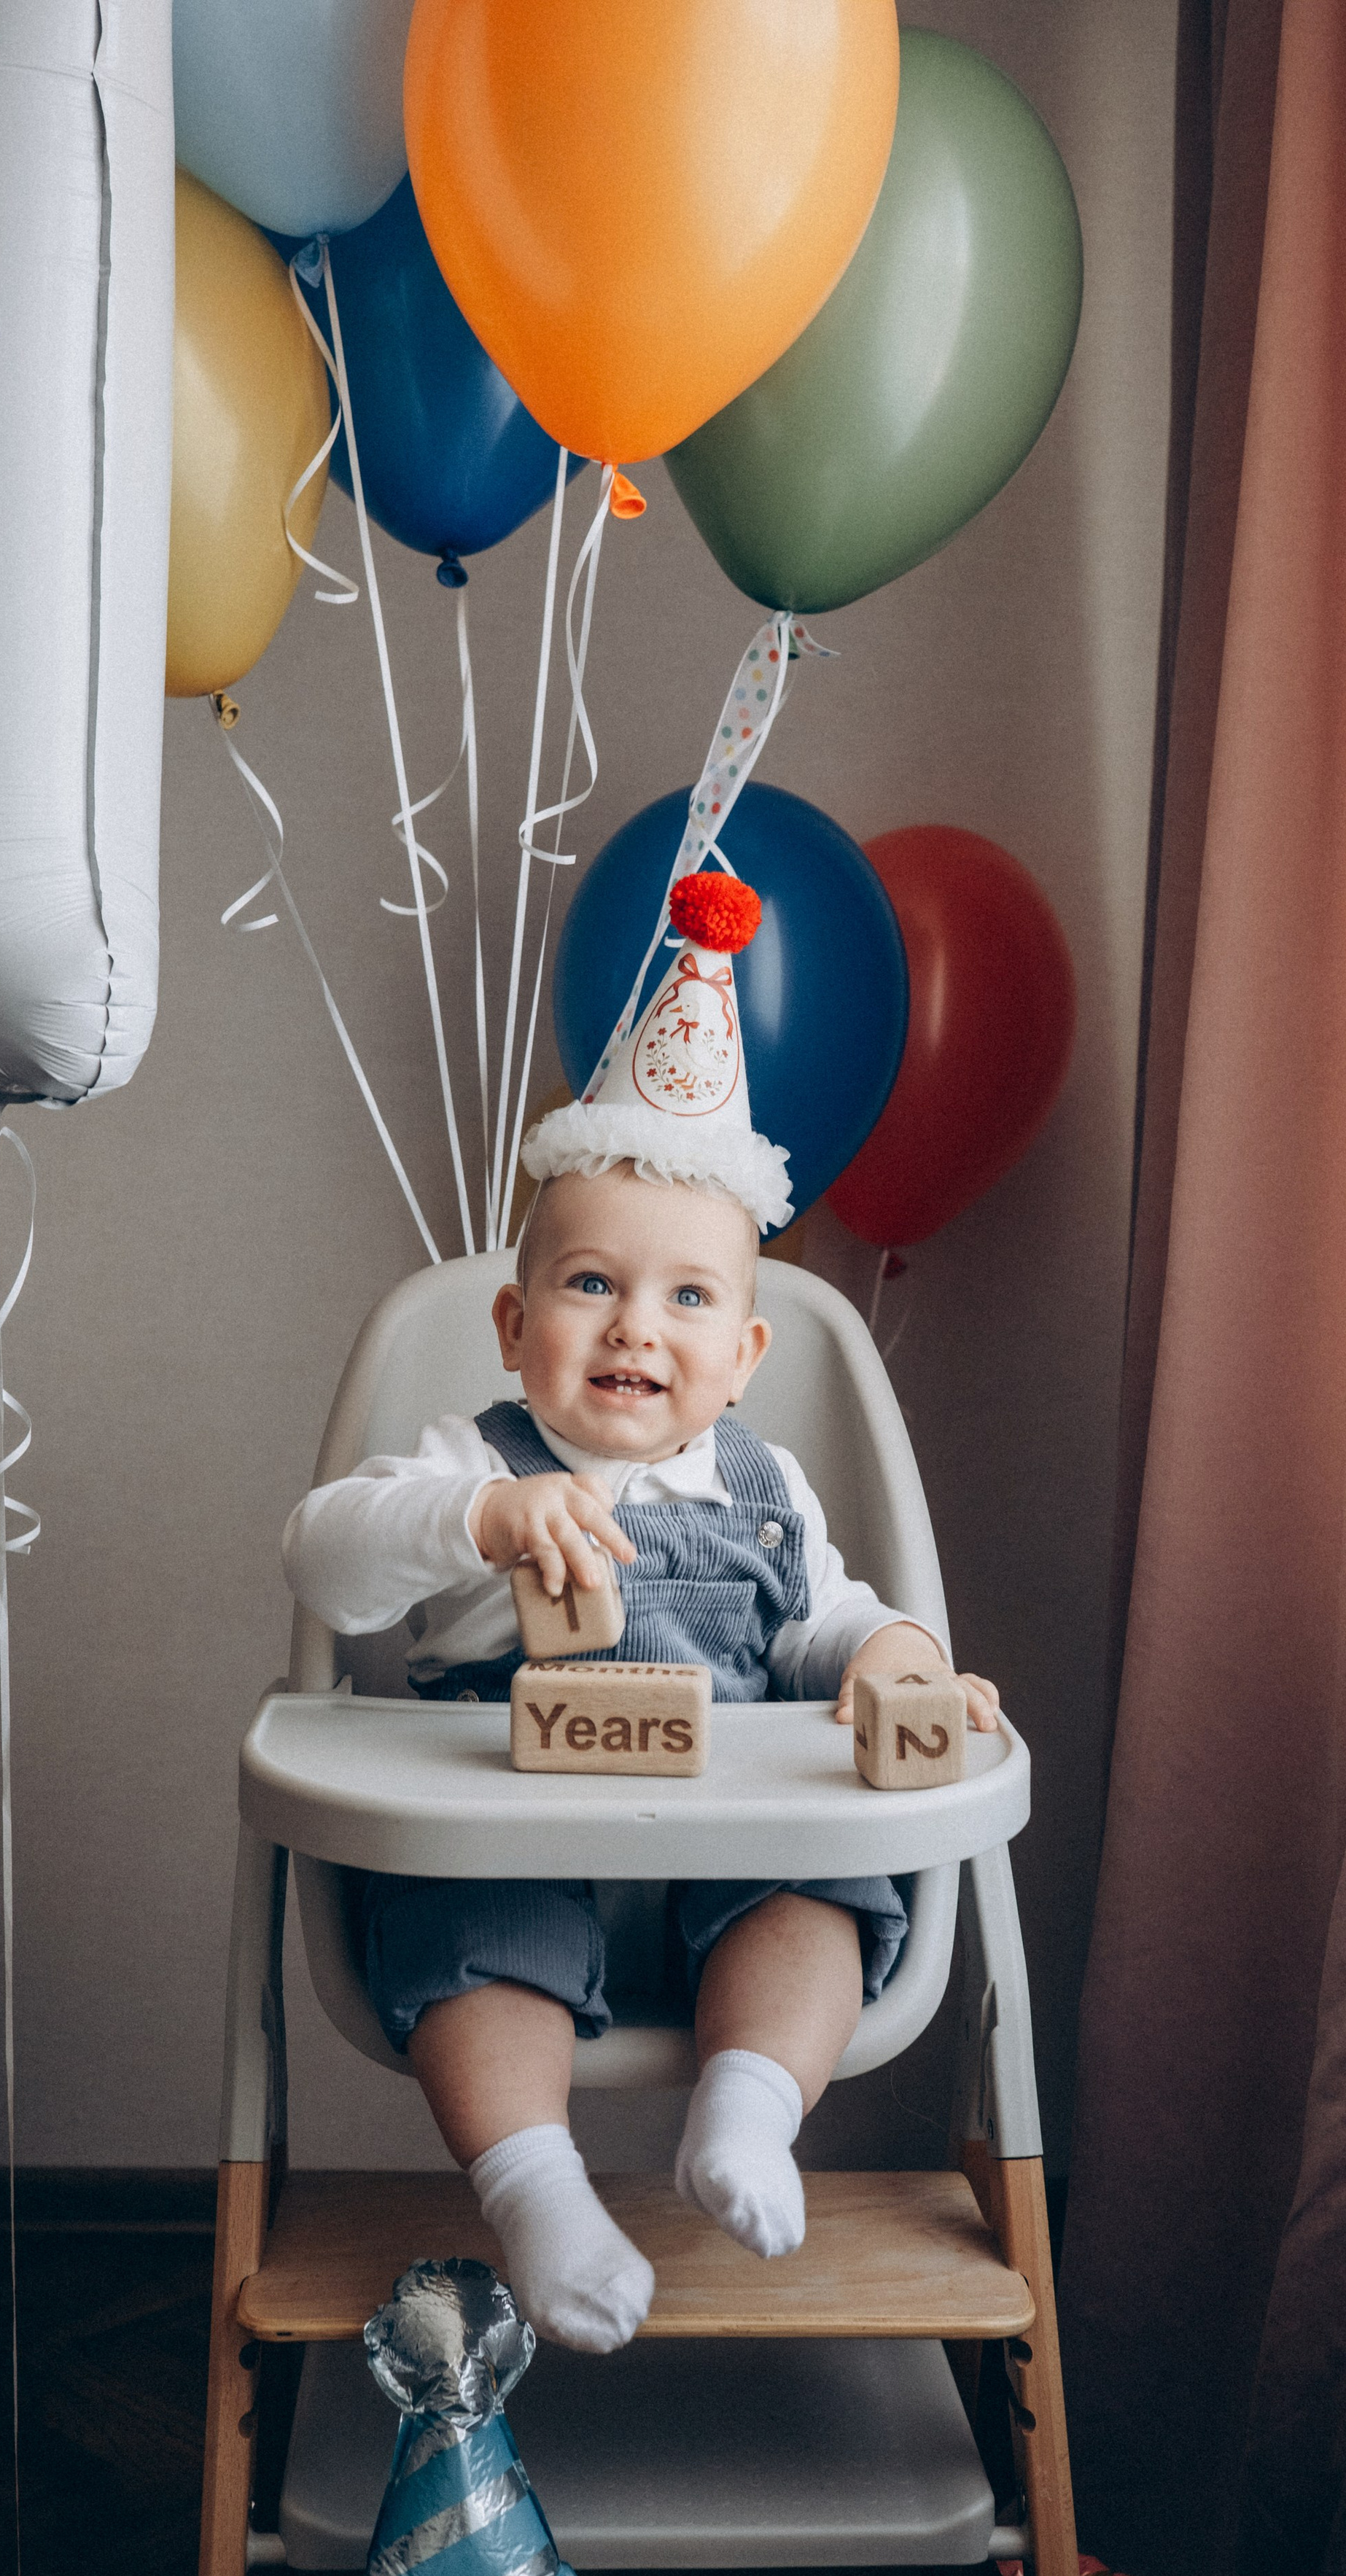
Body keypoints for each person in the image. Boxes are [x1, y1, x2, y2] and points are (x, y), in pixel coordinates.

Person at [282, 871, 999, 2353]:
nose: (633, 1327)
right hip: (514, 1846)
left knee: (819, 1900)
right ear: (513, 1324)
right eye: (592, 1283)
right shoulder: (475, 1463)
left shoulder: (765, 1488)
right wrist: (478, 1521)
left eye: (685, 1300)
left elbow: (831, 1619)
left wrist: (898, 1663)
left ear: (742, 1356)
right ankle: (536, 2190)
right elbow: (324, 1559)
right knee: (472, 1935)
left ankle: (747, 2109)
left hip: (724, 1867)